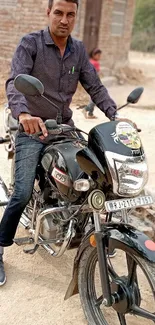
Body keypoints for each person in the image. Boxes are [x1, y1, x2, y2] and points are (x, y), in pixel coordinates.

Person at [0, 0, 122, 285]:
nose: (64, 20)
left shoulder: (78, 50)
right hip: (34, 129)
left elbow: (95, 86)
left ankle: (89, 230)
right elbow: (14, 81)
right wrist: (24, 114)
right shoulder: (30, 44)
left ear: (75, 17)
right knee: (21, 193)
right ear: (48, 13)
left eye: (70, 14)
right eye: (59, 13)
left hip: (64, 128)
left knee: (97, 177)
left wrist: (115, 115)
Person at [82, 47, 102, 119]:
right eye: (98, 55)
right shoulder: (95, 63)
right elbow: (96, 73)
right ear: (94, 55)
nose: (99, 57)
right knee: (94, 99)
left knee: (93, 98)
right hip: (94, 82)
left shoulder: (89, 61)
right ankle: (86, 109)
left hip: (89, 82)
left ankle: (90, 113)